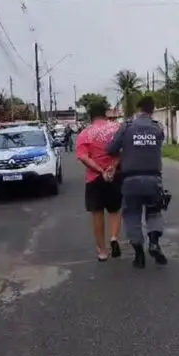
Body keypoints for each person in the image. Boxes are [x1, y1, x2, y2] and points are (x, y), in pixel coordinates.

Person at [106, 96, 166, 269]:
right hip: (153, 179)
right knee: (154, 212)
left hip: (130, 180)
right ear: (152, 110)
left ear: (138, 110)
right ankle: (154, 243)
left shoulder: (126, 127)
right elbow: (157, 145)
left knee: (132, 215)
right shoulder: (157, 128)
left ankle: (139, 255)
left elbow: (111, 150)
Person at [76, 101, 124, 261]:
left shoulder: (85, 133)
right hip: (115, 175)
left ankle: (103, 251)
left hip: (94, 178)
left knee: (97, 213)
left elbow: (83, 156)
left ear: (90, 117)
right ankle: (114, 238)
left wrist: (100, 170)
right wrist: (112, 167)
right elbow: (123, 150)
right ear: (105, 114)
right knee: (115, 210)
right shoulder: (117, 128)